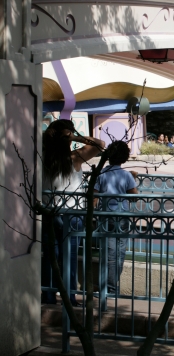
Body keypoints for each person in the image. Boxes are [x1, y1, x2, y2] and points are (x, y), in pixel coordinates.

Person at [42, 119, 105, 305]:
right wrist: (74, 136)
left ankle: (48, 295)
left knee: (50, 257)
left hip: (49, 212)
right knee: (68, 258)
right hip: (72, 214)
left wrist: (59, 136)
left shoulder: (41, 156)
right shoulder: (75, 157)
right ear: (68, 137)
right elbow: (100, 145)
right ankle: (69, 297)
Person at [94, 141, 138, 294]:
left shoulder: (101, 173)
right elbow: (134, 197)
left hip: (105, 216)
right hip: (122, 216)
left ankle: (108, 287)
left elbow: (94, 196)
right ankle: (111, 287)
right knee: (120, 252)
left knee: (109, 252)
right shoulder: (126, 175)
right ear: (124, 157)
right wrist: (133, 178)